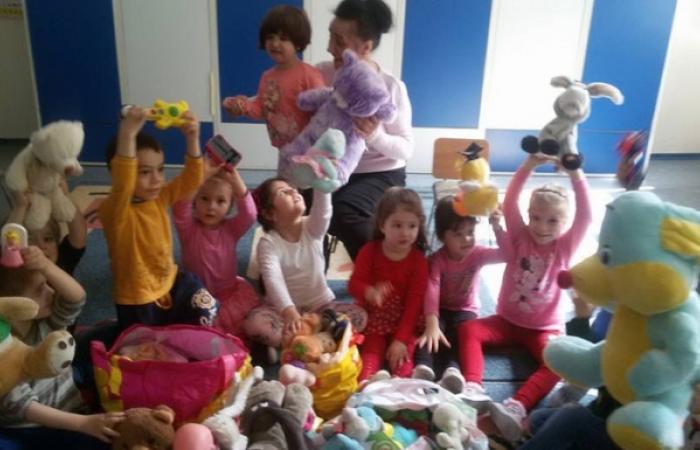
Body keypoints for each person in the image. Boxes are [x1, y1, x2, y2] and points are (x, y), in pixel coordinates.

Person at [458, 154, 592, 443]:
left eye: (553, 221)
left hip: (543, 329)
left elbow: (586, 215)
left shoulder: (565, 246)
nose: (542, 227)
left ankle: (517, 405)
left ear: (565, 222)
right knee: (468, 329)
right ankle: (473, 387)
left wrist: (575, 174)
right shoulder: (520, 235)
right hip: (506, 321)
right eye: (535, 217)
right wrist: (528, 165)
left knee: (558, 362)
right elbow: (510, 201)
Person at [99, 106, 217, 330]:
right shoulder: (115, 210)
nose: (156, 180)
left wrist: (192, 138)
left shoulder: (160, 197)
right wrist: (128, 135)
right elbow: (123, 182)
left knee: (205, 306)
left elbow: (191, 180)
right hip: (138, 298)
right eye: (144, 172)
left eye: (160, 169)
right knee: (146, 344)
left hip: (169, 281)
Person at [0, 246, 124, 450]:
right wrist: (84, 424)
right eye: (40, 289)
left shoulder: (46, 324)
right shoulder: (5, 350)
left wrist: (46, 266)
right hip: (29, 427)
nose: (51, 292)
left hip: (72, 409)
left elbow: (76, 298)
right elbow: (22, 406)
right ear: (15, 304)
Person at [320, 0, 414, 260]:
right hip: (332, 166)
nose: (329, 47)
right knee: (287, 199)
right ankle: (310, 272)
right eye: (330, 36)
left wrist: (374, 135)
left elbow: (406, 149)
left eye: (339, 41)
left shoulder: (390, 86)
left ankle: (381, 271)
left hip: (380, 172)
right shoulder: (321, 73)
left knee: (344, 210)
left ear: (366, 47)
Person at [243, 178, 366, 348]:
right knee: (254, 324)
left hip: (321, 307)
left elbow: (323, 211)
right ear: (270, 214)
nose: (294, 191)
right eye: (284, 192)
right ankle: (320, 340)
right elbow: (273, 279)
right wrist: (289, 311)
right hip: (282, 312)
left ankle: (301, 340)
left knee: (360, 317)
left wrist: (322, 185)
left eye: (293, 188)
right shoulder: (268, 243)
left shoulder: (312, 227)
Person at [412, 197, 509, 394]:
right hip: (438, 308)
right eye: (458, 234)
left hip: (465, 309)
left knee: (461, 335)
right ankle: (423, 367)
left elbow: (507, 254)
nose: (467, 239)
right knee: (429, 332)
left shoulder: (478, 254)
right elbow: (432, 287)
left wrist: (497, 227)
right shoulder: (437, 260)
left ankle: (452, 371)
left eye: (470, 232)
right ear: (443, 236)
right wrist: (432, 322)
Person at [222, 5, 325, 177]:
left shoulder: (309, 75)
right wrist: (242, 106)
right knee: (284, 188)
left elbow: (324, 111)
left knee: (305, 190)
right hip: (284, 150)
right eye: (270, 37)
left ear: (298, 43)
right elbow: (261, 108)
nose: (275, 43)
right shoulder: (267, 77)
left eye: (283, 38)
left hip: (310, 151)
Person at [172, 160, 260, 339]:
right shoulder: (188, 228)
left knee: (235, 326)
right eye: (204, 198)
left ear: (229, 206)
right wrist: (199, 178)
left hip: (227, 293)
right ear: (195, 200)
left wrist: (236, 181)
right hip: (195, 295)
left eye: (220, 201)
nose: (211, 206)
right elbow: (180, 207)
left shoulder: (231, 229)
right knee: (195, 331)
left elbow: (250, 214)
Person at [348, 187, 429, 380]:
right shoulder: (369, 251)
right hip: (375, 319)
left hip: (405, 321)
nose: (405, 233)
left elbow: (414, 305)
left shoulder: (419, 261)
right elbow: (353, 284)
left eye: (412, 226)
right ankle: (368, 383)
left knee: (403, 362)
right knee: (370, 355)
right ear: (382, 225)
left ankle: (399, 386)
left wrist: (400, 340)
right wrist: (369, 291)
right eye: (397, 225)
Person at [7, 178, 87, 275]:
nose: (41, 246)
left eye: (48, 239)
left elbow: (79, 234)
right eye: (30, 240)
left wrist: (63, 197)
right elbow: (8, 246)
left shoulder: (61, 262)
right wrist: (20, 207)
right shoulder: (14, 271)